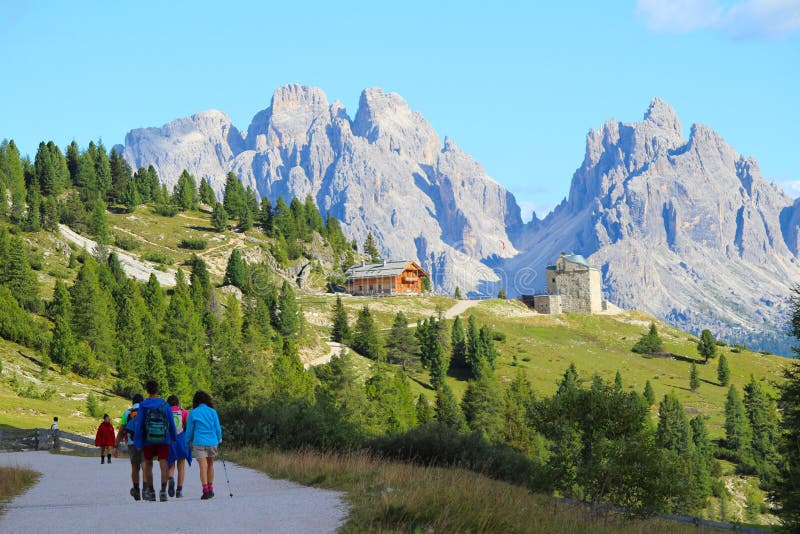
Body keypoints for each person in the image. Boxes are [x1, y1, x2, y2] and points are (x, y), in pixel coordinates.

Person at [129, 381, 177, 502]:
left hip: (148, 440)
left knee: (148, 465)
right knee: (163, 463)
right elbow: (171, 422)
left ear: (147, 391)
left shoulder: (144, 405)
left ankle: (151, 491)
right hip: (164, 439)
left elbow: (139, 425)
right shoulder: (165, 404)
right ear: (158, 390)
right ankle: (163, 491)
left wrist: (138, 442)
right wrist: (173, 437)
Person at [184, 390, 222, 500]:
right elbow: (217, 427)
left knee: (202, 466)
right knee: (210, 465)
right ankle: (210, 489)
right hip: (212, 441)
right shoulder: (212, 411)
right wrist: (219, 438)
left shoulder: (193, 412)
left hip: (199, 442)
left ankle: (205, 491)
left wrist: (187, 442)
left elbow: (189, 430)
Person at [114, 393, 143, 500]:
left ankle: (136, 490)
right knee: (145, 465)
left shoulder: (127, 413)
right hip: (144, 442)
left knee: (135, 467)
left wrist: (116, 446)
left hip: (132, 443)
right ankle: (146, 488)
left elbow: (121, 431)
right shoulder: (146, 411)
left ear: (133, 402)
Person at [166, 395, 191, 498]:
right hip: (181, 441)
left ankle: (171, 478)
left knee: (171, 465)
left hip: (169, 441)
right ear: (178, 403)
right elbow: (187, 426)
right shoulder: (184, 412)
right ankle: (179, 491)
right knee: (181, 467)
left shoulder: (165, 412)